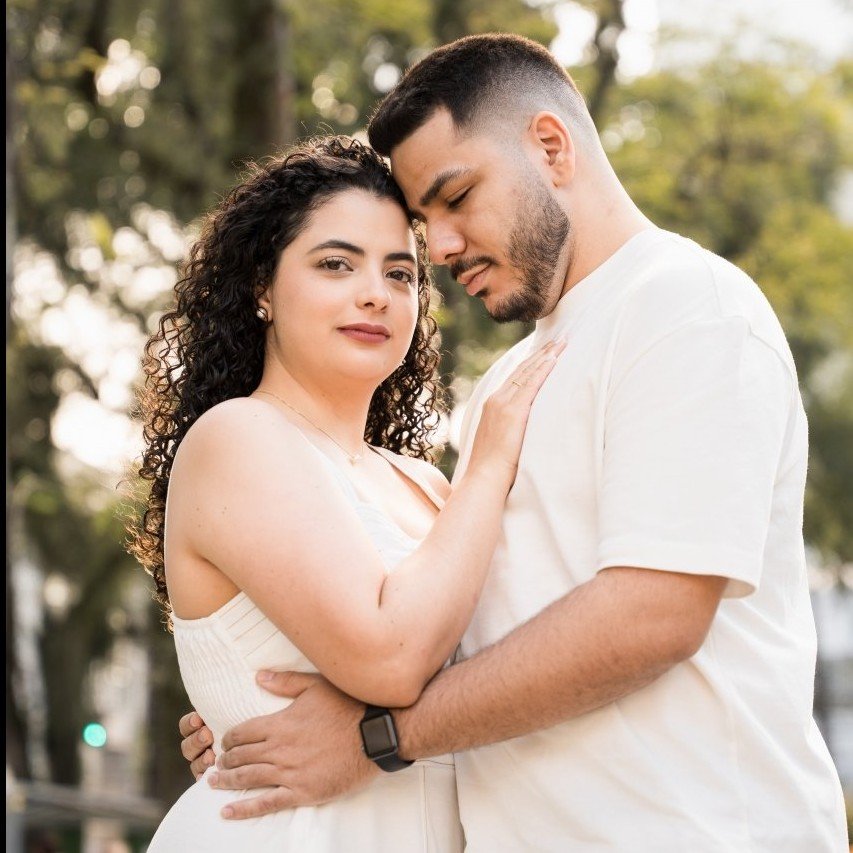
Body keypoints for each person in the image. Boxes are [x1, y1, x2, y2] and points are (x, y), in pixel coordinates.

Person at [179, 35, 848, 851]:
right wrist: (247, 708)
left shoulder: (684, 306)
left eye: (456, 197)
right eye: (426, 223)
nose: (441, 247)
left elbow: (652, 616)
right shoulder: (505, 386)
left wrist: (374, 735)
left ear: (551, 147)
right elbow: (461, 629)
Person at [128, 134, 564, 852]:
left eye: (399, 273)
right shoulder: (237, 437)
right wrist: (488, 463)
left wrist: (359, 720)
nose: (374, 293)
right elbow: (392, 657)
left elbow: (503, 660)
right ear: (262, 288)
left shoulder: (427, 484)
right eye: (336, 263)